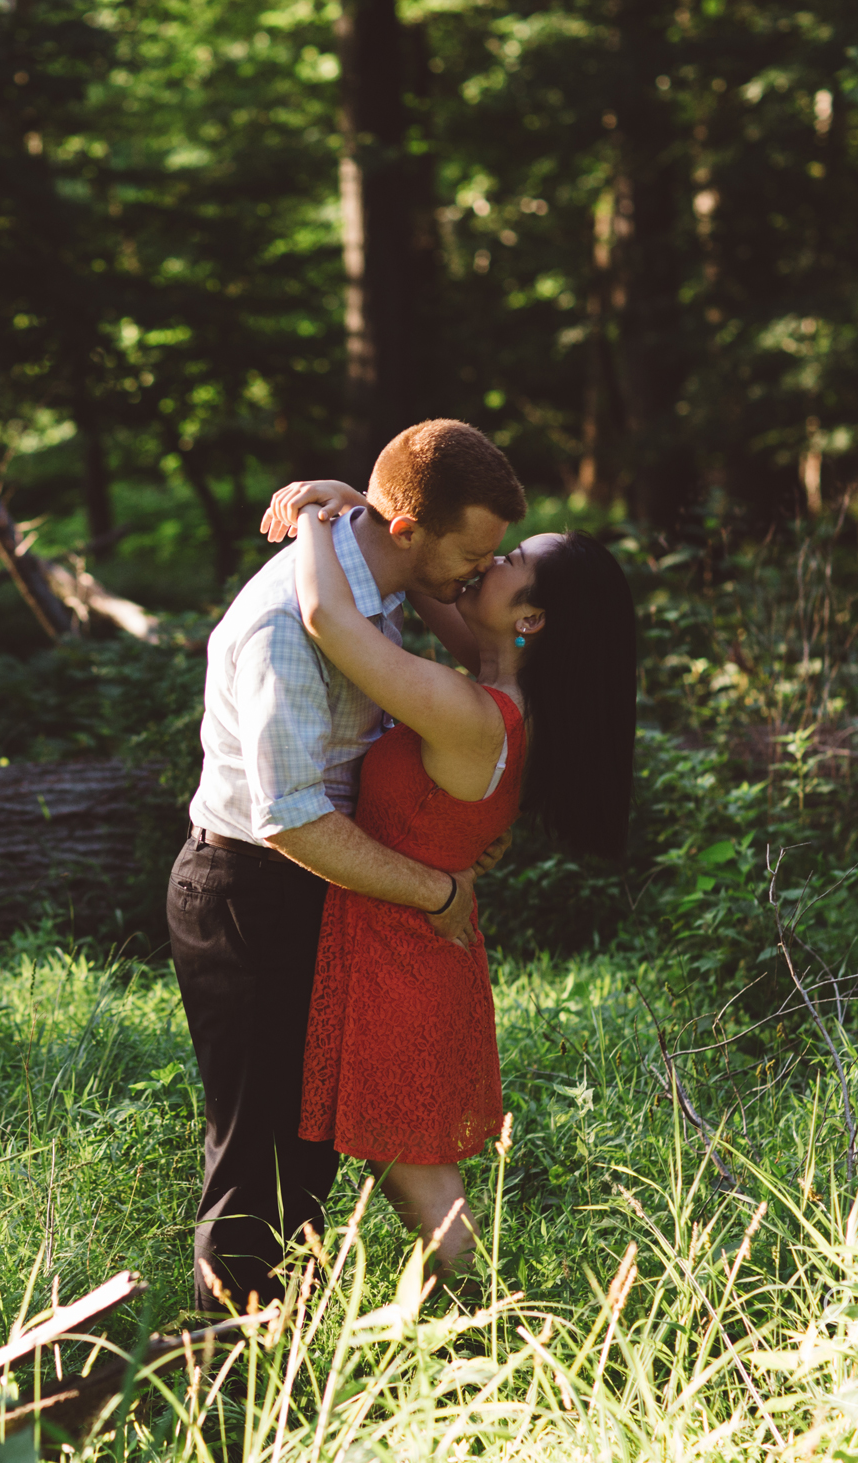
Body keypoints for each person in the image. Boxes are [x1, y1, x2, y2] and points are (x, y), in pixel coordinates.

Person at [169, 420, 527, 1316]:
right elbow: (287, 815)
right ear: (410, 531)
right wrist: (436, 889)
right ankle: (233, 1401)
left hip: (322, 887)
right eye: (472, 554)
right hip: (249, 886)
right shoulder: (288, 620)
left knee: (306, 1151)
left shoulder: (385, 581)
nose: (480, 572)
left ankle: (297, 1387)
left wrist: (340, 501)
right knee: (255, 1160)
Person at [260, 475, 637, 1281]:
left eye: (508, 560)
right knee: (409, 1175)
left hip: (401, 956)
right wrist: (375, 504)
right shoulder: (509, 689)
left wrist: (317, 522)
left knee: (422, 1183)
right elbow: (432, 575)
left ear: (530, 618)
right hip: (411, 945)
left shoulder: (471, 712)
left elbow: (330, 619)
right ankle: (464, 1331)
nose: (487, 562)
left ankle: (485, 1332)